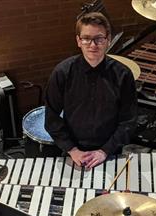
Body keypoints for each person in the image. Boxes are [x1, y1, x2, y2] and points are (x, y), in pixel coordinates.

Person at [44, 12, 137, 169]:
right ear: (78, 41)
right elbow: (51, 118)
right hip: (73, 151)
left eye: (99, 39)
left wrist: (104, 151)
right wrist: (72, 150)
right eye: (86, 38)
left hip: (110, 151)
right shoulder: (62, 73)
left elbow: (128, 121)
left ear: (108, 40)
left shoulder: (123, 75)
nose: (93, 45)